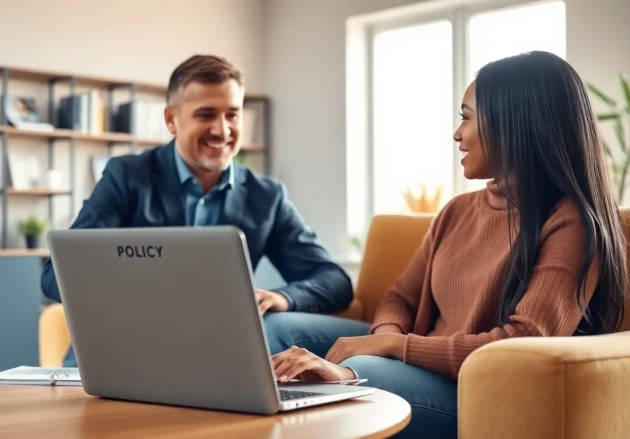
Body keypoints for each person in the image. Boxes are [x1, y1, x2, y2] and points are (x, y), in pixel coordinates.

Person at [267, 50, 628, 438]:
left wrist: (394, 347)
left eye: (466, 118)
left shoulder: (570, 224)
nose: (457, 134)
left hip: (471, 390)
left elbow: (523, 343)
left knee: (355, 380)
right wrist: (381, 338)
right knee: (278, 328)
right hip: (412, 361)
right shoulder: (457, 210)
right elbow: (399, 298)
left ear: (516, 125)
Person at [40, 54, 354, 367]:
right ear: (171, 120)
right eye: (206, 115)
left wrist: (280, 298)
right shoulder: (126, 177)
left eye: (232, 115)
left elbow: (334, 281)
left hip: (213, 358)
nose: (222, 130)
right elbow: (56, 275)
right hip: (120, 350)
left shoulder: (266, 195)